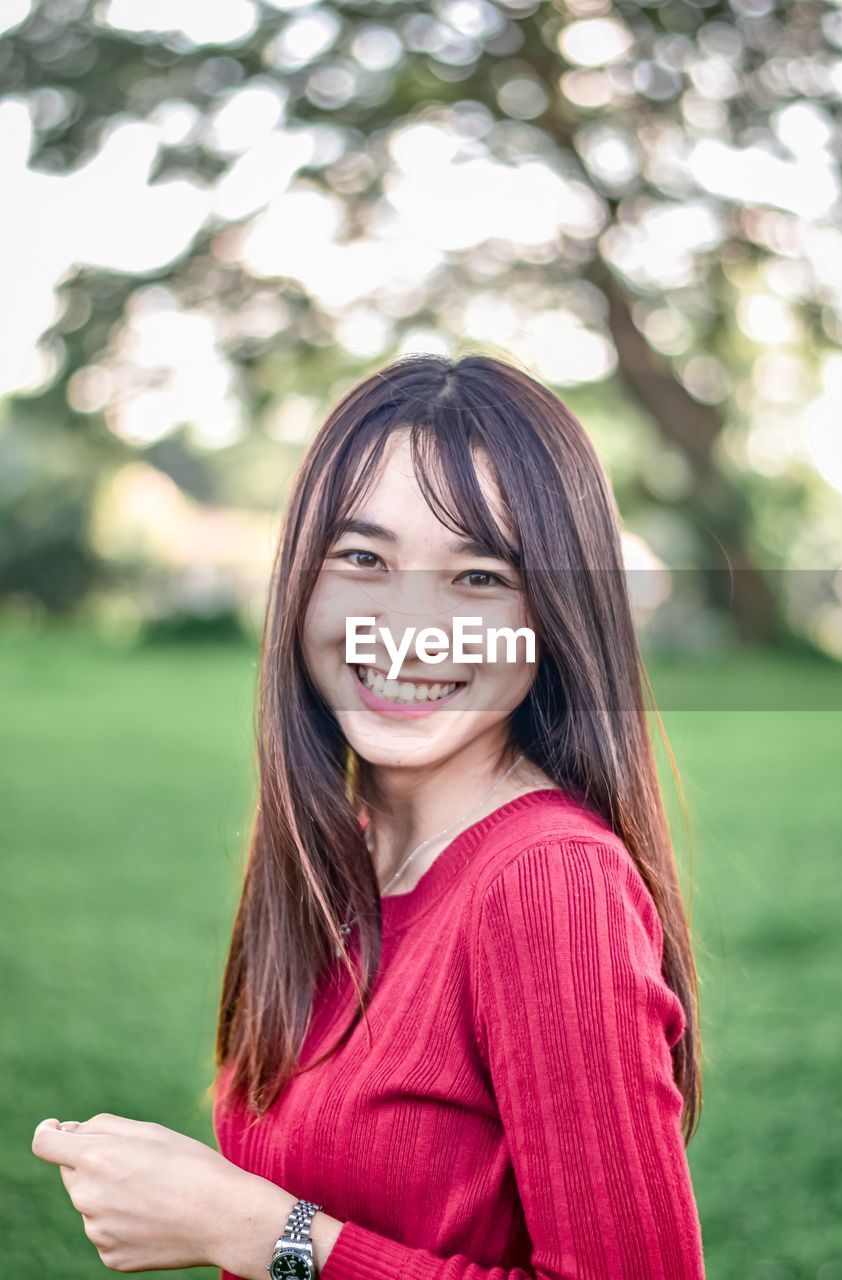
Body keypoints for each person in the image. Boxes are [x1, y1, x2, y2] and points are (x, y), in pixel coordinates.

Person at [32, 352, 706, 1279]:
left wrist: (262, 1234)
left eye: (476, 577)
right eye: (362, 559)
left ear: (554, 614)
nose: (408, 626)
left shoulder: (549, 882)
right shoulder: (340, 846)